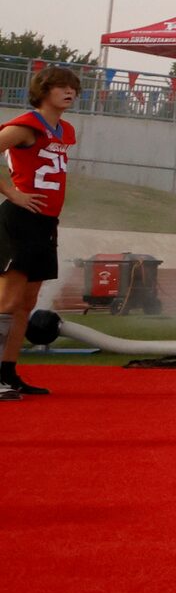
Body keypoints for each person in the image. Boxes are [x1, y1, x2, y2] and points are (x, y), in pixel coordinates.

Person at [0, 62, 83, 399]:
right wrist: (11, 192)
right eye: (62, 86)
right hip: (20, 219)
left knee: (27, 303)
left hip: (46, 222)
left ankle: (8, 371)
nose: (70, 92)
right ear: (44, 90)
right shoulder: (26, 126)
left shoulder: (65, 131)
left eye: (73, 87)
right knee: (7, 299)